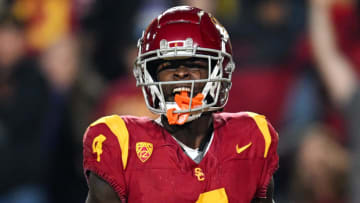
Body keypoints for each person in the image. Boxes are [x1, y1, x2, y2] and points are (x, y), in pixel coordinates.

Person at [83, 6, 279, 203]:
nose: (181, 73)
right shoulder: (121, 144)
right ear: (150, 75)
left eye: (194, 63)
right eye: (169, 65)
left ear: (218, 71)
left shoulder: (250, 139)